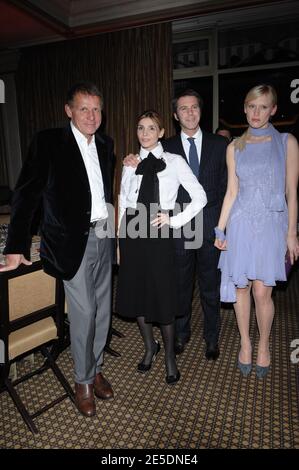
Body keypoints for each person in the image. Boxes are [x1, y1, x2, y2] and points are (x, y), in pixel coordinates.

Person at [0, 82, 115, 416]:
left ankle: (95, 369)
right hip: (69, 243)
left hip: (103, 235)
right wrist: (16, 245)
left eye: (96, 109)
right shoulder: (49, 142)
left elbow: (102, 193)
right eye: (84, 108)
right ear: (69, 110)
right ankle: (82, 381)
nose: (91, 116)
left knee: (104, 310)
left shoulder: (106, 144)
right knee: (85, 313)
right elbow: (25, 195)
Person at [124, 91, 227, 359]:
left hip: (207, 227)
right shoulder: (165, 146)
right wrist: (130, 160)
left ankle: (212, 337)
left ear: (201, 111)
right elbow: (145, 161)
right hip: (175, 231)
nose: (190, 113)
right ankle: (180, 336)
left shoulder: (220, 144)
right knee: (179, 285)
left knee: (210, 286)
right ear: (175, 115)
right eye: (183, 108)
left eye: (194, 107)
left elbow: (227, 189)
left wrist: (224, 227)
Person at [214, 84, 299, 378]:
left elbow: (292, 192)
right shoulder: (234, 146)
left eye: (263, 107)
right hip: (240, 225)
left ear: (273, 109)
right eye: (252, 106)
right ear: (245, 108)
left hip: (271, 227)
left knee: (263, 292)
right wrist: (220, 229)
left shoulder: (287, 142)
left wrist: (292, 233)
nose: (256, 112)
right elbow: (231, 193)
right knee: (241, 288)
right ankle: (246, 343)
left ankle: (264, 344)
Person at [116, 110, 207, 384]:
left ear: (161, 132)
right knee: (138, 294)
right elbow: (122, 201)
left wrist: (174, 219)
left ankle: (169, 357)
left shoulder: (175, 161)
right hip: (132, 234)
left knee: (163, 296)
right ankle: (149, 348)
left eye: (151, 128)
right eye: (140, 128)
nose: (145, 133)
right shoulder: (130, 163)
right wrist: (119, 244)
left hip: (160, 233)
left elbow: (200, 196)